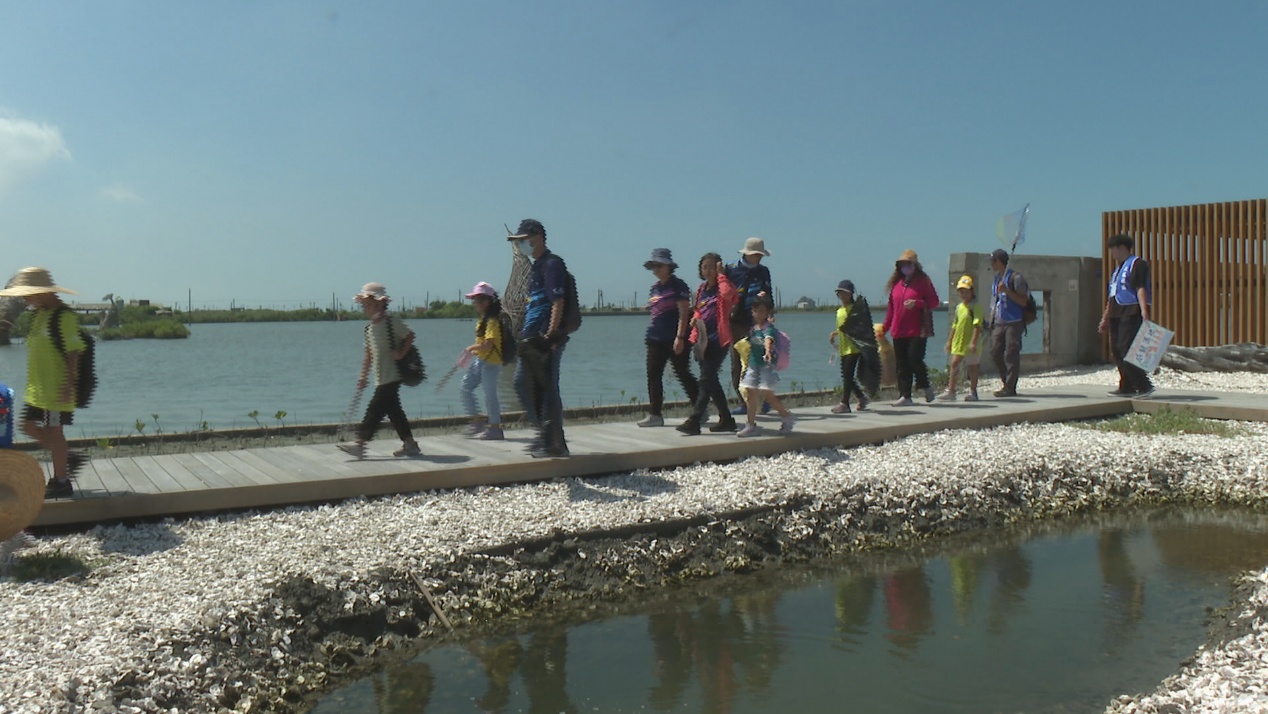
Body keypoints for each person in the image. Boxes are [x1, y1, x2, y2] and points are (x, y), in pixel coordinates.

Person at [0, 268, 87, 499]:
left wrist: (68, 385)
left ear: (41, 293)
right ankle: (67, 458)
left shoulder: (63, 317)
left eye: (28, 295)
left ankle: (61, 481)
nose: (26, 300)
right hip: (38, 389)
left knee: (54, 433)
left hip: (56, 388)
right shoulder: (39, 315)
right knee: (27, 426)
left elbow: (74, 352)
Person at [508, 218, 570, 458]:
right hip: (531, 338)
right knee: (522, 384)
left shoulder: (552, 264)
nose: (520, 245)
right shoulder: (537, 266)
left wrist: (550, 336)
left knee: (547, 389)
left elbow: (557, 301)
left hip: (545, 338)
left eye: (523, 240)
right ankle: (545, 435)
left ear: (537, 237)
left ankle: (554, 443)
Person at [338, 282, 421, 459]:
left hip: (394, 374)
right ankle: (410, 444)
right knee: (393, 410)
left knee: (374, 409)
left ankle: (360, 444)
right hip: (380, 376)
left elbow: (410, 336)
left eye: (368, 304)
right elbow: (368, 354)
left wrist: (400, 353)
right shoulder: (369, 329)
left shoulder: (392, 322)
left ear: (380, 303)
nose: (365, 308)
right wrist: (363, 376)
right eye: (363, 304)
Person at [676, 253, 739, 435]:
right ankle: (727, 419)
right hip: (703, 339)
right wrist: (695, 319)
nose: (708, 270)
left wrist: (721, 275)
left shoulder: (724, 285)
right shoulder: (702, 289)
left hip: (719, 339)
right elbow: (698, 310)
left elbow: (728, 296)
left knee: (705, 380)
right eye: (705, 267)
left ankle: (695, 420)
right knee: (711, 380)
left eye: (713, 267)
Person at [638, 248, 699, 427]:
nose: (656, 269)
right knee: (653, 375)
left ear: (669, 266)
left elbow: (683, 313)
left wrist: (680, 337)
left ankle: (699, 408)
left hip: (675, 337)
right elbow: (656, 311)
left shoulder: (678, 285)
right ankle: (655, 414)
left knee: (682, 372)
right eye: (654, 266)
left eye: (660, 265)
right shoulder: (654, 288)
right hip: (654, 337)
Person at [881, 250, 940, 406]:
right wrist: (884, 328)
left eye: (908, 263)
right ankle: (905, 396)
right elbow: (891, 310)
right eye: (902, 264)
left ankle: (925, 386)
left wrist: (918, 303)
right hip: (898, 331)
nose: (905, 267)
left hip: (917, 330)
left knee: (915, 359)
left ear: (915, 265)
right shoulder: (896, 285)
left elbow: (934, 302)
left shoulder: (923, 281)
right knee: (901, 364)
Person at [1099, 233, 1154, 397]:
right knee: (1116, 351)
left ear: (1121, 248)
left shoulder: (1137, 264)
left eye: (1113, 249)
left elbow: (1140, 287)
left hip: (1131, 311)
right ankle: (1126, 385)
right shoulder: (1117, 269)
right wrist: (1105, 318)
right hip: (1116, 312)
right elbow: (1112, 295)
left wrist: (1144, 310)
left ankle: (1143, 385)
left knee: (1127, 349)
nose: (1112, 254)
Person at [726, 237, 773, 415]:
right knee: (737, 363)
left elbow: (769, 295)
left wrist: (769, 314)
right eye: (756, 255)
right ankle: (743, 402)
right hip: (736, 321)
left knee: (759, 362)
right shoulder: (731, 269)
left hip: (757, 323)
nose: (759, 258)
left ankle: (764, 400)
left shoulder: (763, 271)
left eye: (761, 255)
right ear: (747, 254)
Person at [736, 295, 794, 437]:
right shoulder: (753, 328)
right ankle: (751, 425)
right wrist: (745, 366)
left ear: (768, 312)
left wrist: (768, 351)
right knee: (750, 393)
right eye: (755, 310)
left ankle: (787, 417)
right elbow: (749, 347)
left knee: (768, 395)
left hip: (766, 366)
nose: (758, 313)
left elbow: (769, 340)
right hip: (753, 365)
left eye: (761, 310)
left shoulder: (769, 328)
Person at [460, 282, 506, 440]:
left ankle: (495, 428)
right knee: (465, 387)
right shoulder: (483, 319)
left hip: (492, 362)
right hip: (481, 360)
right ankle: (477, 420)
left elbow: (488, 344)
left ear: (488, 301)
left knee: (489, 394)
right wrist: (473, 350)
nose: (475, 304)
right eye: (474, 300)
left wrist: (471, 348)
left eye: (478, 300)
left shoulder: (493, 320)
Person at [988, 248, 1029, 397]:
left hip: (1014, 321)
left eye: (993, 261)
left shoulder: (1016, 278)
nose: (991, 264)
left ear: (999, 261)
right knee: (995, 351)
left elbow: (1023, 301)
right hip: (999, 321)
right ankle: (1006, 381)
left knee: (1011, 354)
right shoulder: (996, 279)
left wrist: (1007, 291)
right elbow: (994, 302)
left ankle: (1010, 387)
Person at [939, 275, 985, 402]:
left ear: (972, 291)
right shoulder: (959, 307)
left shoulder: (976, 307)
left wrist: (973, 342)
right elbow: (955, 325)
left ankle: (973, 392)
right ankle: (951, 390)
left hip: (971, 342)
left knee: (972, 367)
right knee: (954, 364)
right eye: (961, 292)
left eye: (966, 291)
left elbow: (977, 325)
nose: (963, 294)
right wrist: (949, 341)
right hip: (959, 341)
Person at [828, 280, 871, 413]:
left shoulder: (855, 309)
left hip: (854, 348)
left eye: (845, 293)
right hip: (843, 347)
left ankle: (845, 403)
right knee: (846, 376)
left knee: (847, 375)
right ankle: (861, 397)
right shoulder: (840, 310)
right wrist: (835, 333)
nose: (842, 295)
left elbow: (860, 326)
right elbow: (843, 327)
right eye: (840, 293)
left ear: (851, 294)